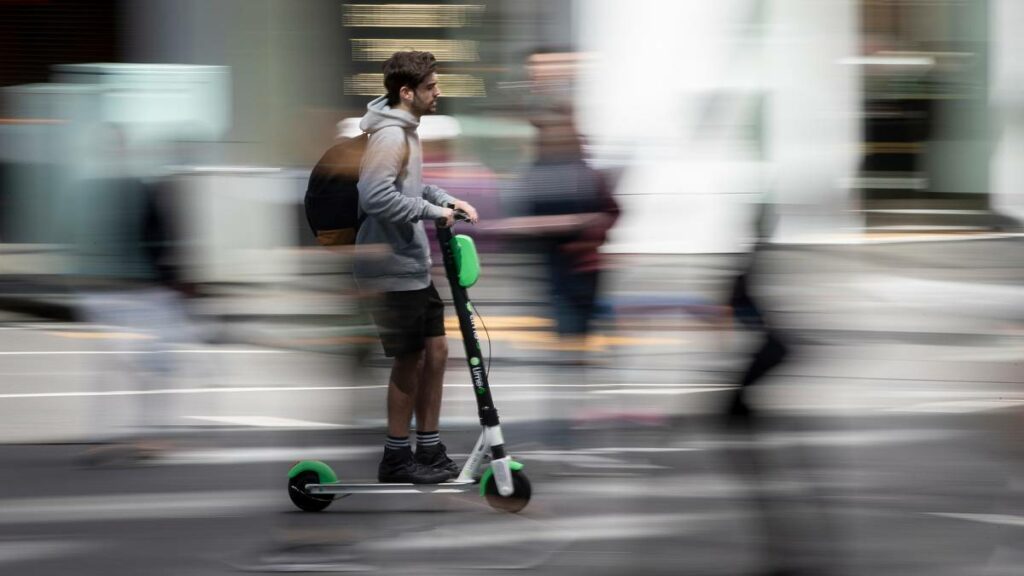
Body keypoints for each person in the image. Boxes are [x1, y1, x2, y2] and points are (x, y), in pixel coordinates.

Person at [356, 50, 479, 484]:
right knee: (409, 360)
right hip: (388, 268)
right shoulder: (389, 136)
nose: (438, 92)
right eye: (430, 86)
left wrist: (446, 200)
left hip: (411, 265)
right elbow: (373, 196)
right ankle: (395, 456)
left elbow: (410, 185)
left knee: (437, 353)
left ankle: (427, 447)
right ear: (406, 92)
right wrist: (430, 212)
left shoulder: (408, 132)